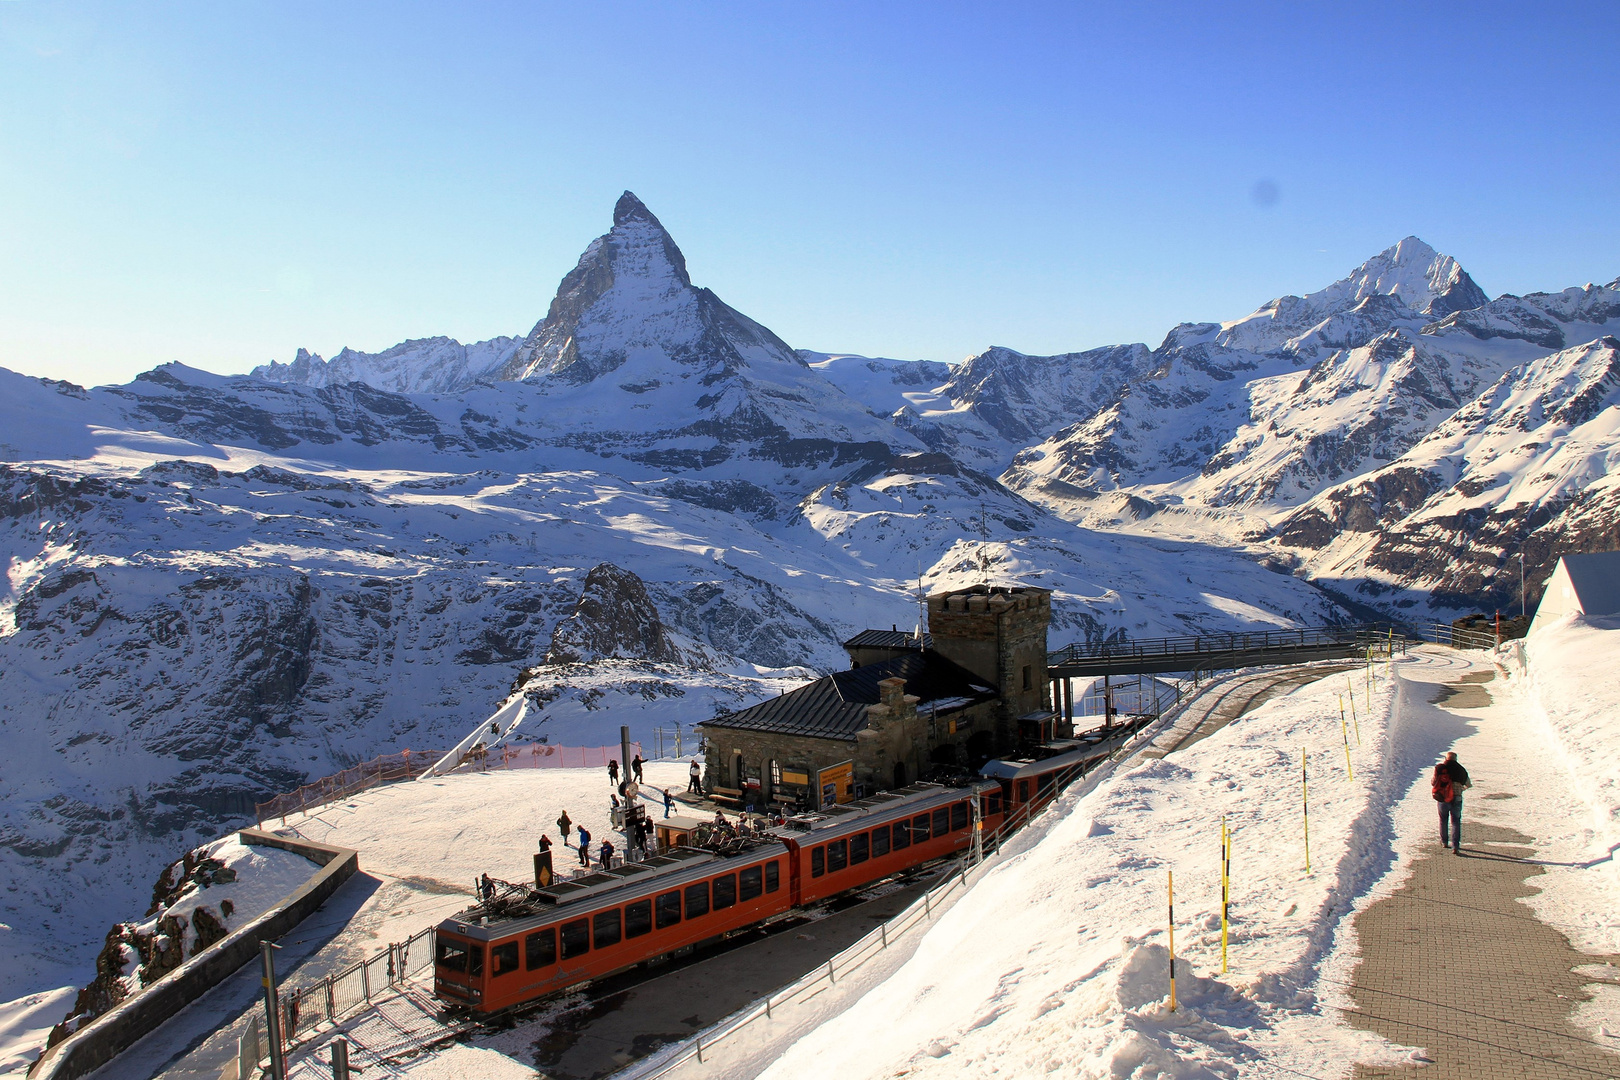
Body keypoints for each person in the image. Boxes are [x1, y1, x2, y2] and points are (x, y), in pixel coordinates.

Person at [1432, 751, 1471, 854]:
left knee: (1443, 819)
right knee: (1456, 821)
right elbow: (1468, 784)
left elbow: (1433, 782)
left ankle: (1444, 842)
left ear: (1446, 758)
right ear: (1456, 759)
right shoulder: (1461, 769)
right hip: (1457, 798)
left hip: (1443, 798)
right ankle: (1455, 846)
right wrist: (1461, 788)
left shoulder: (1440, 768)